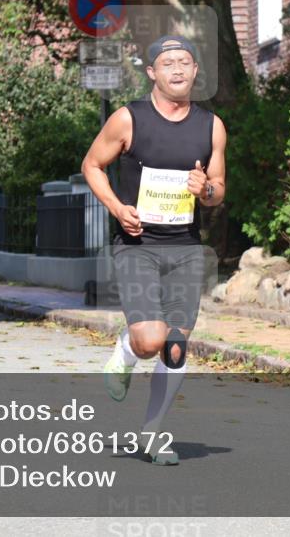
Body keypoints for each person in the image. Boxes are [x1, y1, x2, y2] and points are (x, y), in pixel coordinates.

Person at [81, 34, 227, 465]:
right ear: (152, 72)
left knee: (177, 346)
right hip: (137, 245)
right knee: (150, 340)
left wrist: (207, 190)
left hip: (184, 247)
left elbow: (218, 191)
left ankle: (151, 434)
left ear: (195, 71)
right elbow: (92, 165)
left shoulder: (211, 125)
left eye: (185, 62)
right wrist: (115, 207)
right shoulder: (129, 119)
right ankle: (127, 351)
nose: (177, 69)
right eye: (168, 63)